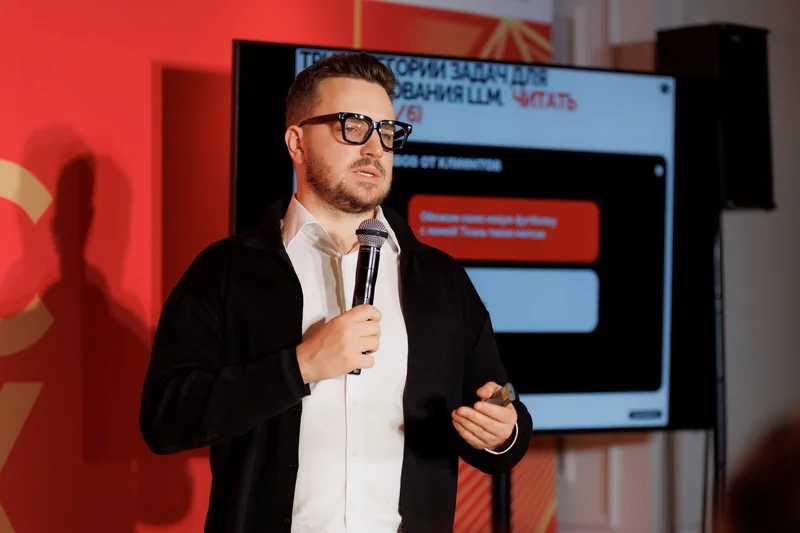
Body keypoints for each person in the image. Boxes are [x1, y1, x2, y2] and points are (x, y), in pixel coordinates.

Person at [139, 51, 533, 533]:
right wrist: (302, 365)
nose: (374, 147)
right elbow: (165, 420)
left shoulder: (441, 280)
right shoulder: (227, 270)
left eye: (386, 132)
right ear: (297, 142)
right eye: (353, 127)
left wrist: (503, 432)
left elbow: (502, 403)